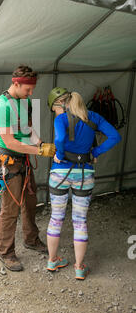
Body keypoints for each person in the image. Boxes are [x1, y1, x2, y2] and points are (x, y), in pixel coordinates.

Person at [46, 87, 121, 280]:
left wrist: (60, 155)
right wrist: (94, 153)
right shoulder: (94, 117)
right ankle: (79, 267)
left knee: (56, 218)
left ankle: (52, 260)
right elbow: (115, 136)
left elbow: (60, 138)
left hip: (60, 173)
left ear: (63, 104)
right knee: (80, 221)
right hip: (84, 172)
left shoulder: (61, 119)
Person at [0, 65, 55, 272]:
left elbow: (27, 129)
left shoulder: (23, 101)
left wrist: (40, 143)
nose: (31, 93)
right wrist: (38, 152)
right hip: (9, 159)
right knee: (10, 209)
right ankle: (6, 253)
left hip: (24, 158)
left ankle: (31, 239)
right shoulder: (1, 106)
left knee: (30, 200)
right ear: (16, 84)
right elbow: (9, 142)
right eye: (28, 89)